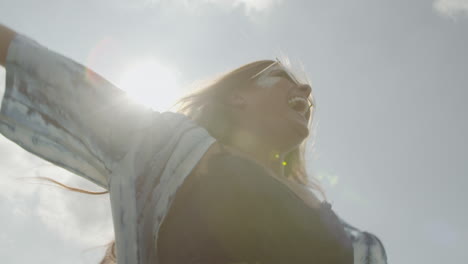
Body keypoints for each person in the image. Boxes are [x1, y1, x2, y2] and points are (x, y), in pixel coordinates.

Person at [0, 24, 388, 264]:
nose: (304, 88)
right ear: (237, 97)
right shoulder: (174, 148)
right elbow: (60, 78)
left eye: (307, 91)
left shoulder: (351, 238)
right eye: (281, 77)